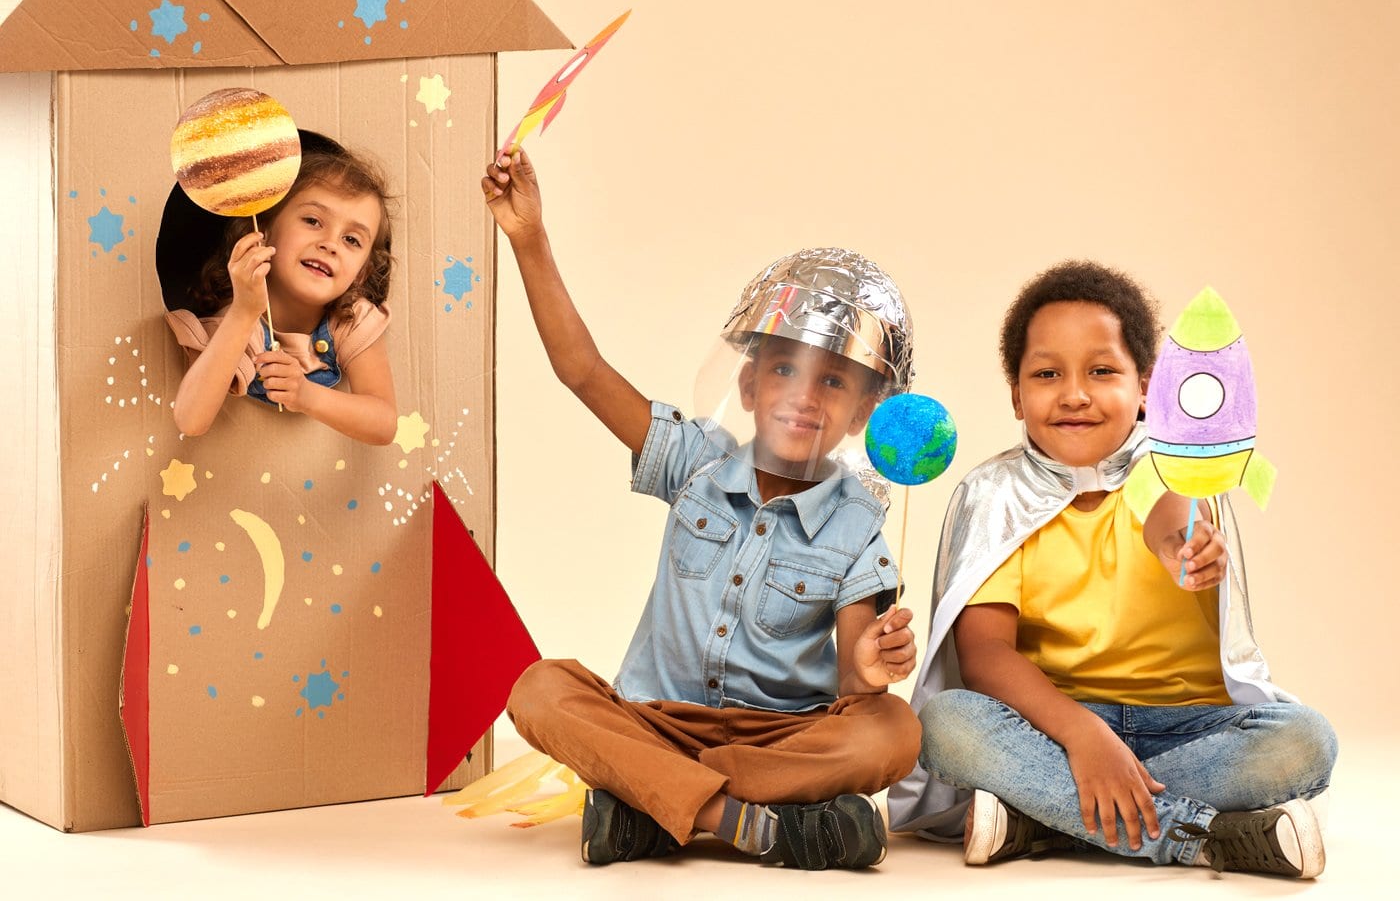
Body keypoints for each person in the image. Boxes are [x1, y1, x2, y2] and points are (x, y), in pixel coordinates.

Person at [483, 148, 922, 870]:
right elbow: (582, 371)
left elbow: (852, 682)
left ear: (863, 414)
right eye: (783, 369)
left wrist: (871, 670)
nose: (804, 396)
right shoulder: (697, 463)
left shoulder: (858, 524)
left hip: (778, 741)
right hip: (654, 722)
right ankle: (743, 822)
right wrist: (529, 238)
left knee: (894, 730)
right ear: (748, 385)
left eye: (833, 382)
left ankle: (652, 809)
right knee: (538, 688)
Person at [886, 261, 1337, 878]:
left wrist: (1182, 549)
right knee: (943, 724)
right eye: (1047, 374)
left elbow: (1167, 524)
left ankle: (1039, 818)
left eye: (1102, 371)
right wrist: (1083, 737)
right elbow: (986, 655)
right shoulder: (994, 494)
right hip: (1052, 726)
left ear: (1147, 388)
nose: (1074, 394)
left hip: (1190, 727)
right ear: (1016, 396)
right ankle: (1202, 835)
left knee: (1306, 742)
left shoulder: (1176, 468)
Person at [164, 135, 397, 444]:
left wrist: (306, 395)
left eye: (352, 240)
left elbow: (384, 424)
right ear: (264, 231)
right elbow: (190, 420)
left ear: (360, 275)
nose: (330, 244)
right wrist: (244, 312)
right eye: (313, 221)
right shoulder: (235, 326)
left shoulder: (350, 319)